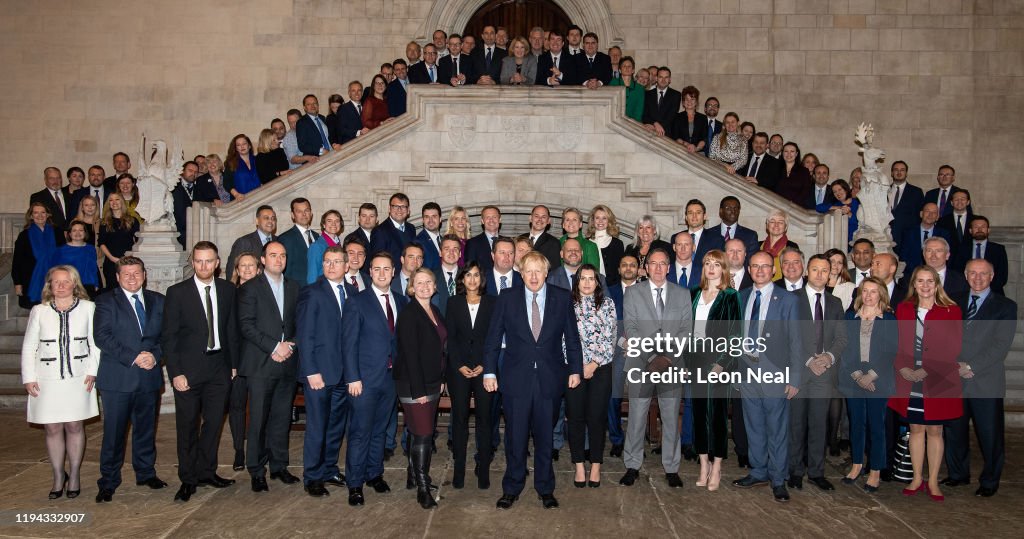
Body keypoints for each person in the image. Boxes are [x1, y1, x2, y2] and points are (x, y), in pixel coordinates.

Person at [483, 251, 583, 510]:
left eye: (539, 270)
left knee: (545, 438)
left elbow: (572, 338)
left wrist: (575, 370)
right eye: (529, 271)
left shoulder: (561, 298)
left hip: (550, 379)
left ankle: (545, 488)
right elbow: (493, 338)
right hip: (516, 380)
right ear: (521, 273)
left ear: (546, 273)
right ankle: (512, 487)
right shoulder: (507, 298)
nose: (534, 276)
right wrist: (490, 372)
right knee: (515, 438)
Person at [161, 243, 238, 501]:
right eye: (199, 261)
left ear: (217, 263)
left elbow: (230, 330)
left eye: (209, 261)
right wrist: (176, 373)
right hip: (189, 371)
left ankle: (207, 471)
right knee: (187, 426)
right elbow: (169, 338)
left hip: (219, 369)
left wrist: (233, 365)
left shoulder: (228, 290)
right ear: (192, 263)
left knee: (214, 424)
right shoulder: (177, 293)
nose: (204, 266)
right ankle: (188, 478)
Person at [21, 266, 99, 500]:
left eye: (66, 281)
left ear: (74, 284)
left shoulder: (88, 308)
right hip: (46, 379)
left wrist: (93, 371)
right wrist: (28, 377)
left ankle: (74, 474)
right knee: (52, 428)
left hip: (79, 377)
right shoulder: (39, 310)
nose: (62, 285)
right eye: (57, 282)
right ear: (50, 285)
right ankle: (57, 475)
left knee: (75, 426)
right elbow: (29, 346)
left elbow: (96, 344)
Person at [942, 259, 1018, 497]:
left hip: (985, 379)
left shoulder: (1006, 306)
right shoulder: (952, 300)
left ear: (992, 276)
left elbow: (1001, 345)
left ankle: (989, 480)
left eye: (983, 274)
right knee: (955, 429)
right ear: (965, 275)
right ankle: (958, 474)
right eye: (973, 273)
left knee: (990, 433)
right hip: (955, 378)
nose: (977, 278)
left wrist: (971, 366)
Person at [731, 251, 803, 503]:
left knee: (777, 428)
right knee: (754, 426)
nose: (760, 271)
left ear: (774, 270)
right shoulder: (740, 297)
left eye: (765, 266)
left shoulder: (787, 300)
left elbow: (796, 340)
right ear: (749, 270)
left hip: (774, 371)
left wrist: (794, 377)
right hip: (747, 369)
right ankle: (758, 471)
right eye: (755, 266)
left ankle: (778, 478)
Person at [618, 247, 692, 489]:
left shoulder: (682, 294)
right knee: (637, 416)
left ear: (669, 268)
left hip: (672, 363)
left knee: (670, 417)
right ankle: (632, 464)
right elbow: (630, 327)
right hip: (641, 361)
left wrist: (667, 357)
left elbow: (686, 330)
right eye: (653, 263)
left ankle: (671, 467)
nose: (658, 268)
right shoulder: (633, 293)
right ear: (646, 267)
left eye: (663, 264)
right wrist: (651, 357)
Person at [888, 265, 963, 502]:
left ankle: (932, 481)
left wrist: (927, 369)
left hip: (938, 378)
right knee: (916, 429)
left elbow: (954, 347)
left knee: (935, 430)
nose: (925, 285)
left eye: (930, 281)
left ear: (937, 284)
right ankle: (917, 478)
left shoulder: (950, 310)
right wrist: (903, 368)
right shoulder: (904, 308)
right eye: (920, 281)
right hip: (909, 380)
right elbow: (897, 344)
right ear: (914, 284)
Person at [342, 251, 409, 506]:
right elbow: (348, 344)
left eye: (387, 269)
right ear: (370, 272)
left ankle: (374, 473)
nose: (382, 273)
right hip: (364, 380)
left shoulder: (401, 302)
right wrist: (352, 377)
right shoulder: (357, 302)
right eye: (377, 269)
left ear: (394, 272)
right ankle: (355, 483)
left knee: (380, 431)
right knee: (360, 432)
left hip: (391, 379)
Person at [238, 241, 301, 492]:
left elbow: (299, 324)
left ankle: (279, 466)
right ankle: (256, 469)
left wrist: (291, 345)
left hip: (287, 363)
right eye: (273, 255)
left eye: (282, 255)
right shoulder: (250, 288)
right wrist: (275, 346)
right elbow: (246, 325)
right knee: (259, 420)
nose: (278, 259)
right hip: (261, 363)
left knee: (281, 417)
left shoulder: (294, 287)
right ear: (263, 260)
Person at [788, 254, 848, 492]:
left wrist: (828, 357)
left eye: (825, 271)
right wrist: (807, 360)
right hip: (799, 372)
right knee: (796, 424)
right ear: (806, 272)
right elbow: (786, 335)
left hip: (824, 372)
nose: (820, 275)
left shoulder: (835, 303)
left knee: (819, 424)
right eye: (815, 270)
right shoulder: (792, 299)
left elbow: (842, 338)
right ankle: (794, 471)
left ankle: (816, 472)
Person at [296, 245, 352, 497]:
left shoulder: (352, 291)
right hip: (319, 374)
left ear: (346, 265)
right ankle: (313, 475)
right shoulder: (312, 292)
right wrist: (311, 371)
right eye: (327, 262)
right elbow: (305, 335)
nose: (331, 266)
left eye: (336, 262)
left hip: (343, 374)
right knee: (317, 426)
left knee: (335, 426)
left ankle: (329, 467)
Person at [394, 268, 447, 509]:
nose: (425, 286)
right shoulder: (408, 314)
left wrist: (442, 378)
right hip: (415, 384)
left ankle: (413, 476)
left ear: (435, 286)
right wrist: (419, 391)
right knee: (424, 433)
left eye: (429, 282)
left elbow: (438, 348)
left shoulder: (434, 310)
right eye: (420, 282)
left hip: (433, 381)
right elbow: (411, 355)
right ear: (411, 287)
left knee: (418, 431)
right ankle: (423, 489)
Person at [689, 250, 741, 491]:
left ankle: (717, 465)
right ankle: (703, 464)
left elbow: (735, 335)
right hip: (696, 362)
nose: (711, 268)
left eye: (716, 264)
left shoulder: (731, 296)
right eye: (708, 263)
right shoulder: (694, 294)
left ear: (723, 269)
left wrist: (721, 364)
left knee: (718, 416)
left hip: (720, 363)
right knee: (699, 414)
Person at [839, 277, 897, 493]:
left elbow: (890, 351)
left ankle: (875, 470)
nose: (869, 295)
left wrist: (871, 375)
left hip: (878, 380)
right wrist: (857, 375)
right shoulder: (850, 316)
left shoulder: (889, 319)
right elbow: (844, 347)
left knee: (876, 425)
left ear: (881, 294)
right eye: (865, 291)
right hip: (853, 378)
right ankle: (856, 465)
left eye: (874, 291)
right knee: (856, 423)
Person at [445, 261, 495, 490]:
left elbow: (495, 337)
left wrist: (486, 364)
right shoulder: (453, 303)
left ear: (481, 279)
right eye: (468, 275)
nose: (473, 279)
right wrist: (459, 365)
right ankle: (458, 473)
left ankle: (483, 472)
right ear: (462, 280)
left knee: (485, 421)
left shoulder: (492, 303)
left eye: (476, 275)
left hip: (484, 370)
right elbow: (451, 339)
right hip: (460, 371)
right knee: (459, 420)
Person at [566, 264, 616, 488]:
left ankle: (595, 465)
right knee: (575, 418)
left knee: (596, 418)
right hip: (573, 370)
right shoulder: (567, 305)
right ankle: (578, 465)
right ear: (576, 282)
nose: (586, 283)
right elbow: (562, 339)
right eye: (582, 278)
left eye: (591, 279)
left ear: (597, 282)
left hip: (600, 369)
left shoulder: (607, 304)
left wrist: (593, 364)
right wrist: (578, 366)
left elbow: (610, 337)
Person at [228, 252, 260, 470]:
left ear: (259, 270)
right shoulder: (228, 294)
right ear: (237, 270)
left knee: (259, 408)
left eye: (251, 266)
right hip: (236, 361)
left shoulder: (266, 294)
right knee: (237, 406)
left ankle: (258, 452)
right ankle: (239, 450)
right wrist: (231, 363)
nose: (247, 269)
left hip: (260, 360)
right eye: (243, 266)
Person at [13, 202, 63, 308]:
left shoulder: (57, 232)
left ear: (48, 214)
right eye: (36, 213)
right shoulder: (24, 235)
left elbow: (63, 256)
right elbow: (17, 261)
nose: (40, 215)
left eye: (43, 212)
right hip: (30, 281)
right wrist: (17, 283)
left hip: (54, 279)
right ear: (31, 216)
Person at [98, 193, 140, 292]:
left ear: (122, 202)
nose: (114, 202)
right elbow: (101, 243)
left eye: (117, 199)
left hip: (129, 261)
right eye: (111, 200)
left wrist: (131, 257)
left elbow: (138, 241)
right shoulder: (104, 222)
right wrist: (113, 259)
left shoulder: (132, 220)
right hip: (111, 262)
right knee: (113, 292)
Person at [49, 221, 100, 297]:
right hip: (69, 285)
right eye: (74, 230)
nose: (78, 233)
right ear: (69, 233)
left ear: (85, 233)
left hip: (88, 285)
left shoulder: (91, 248)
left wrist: (96, 283)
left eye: (81, 230)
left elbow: (93, 268)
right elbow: (54, 270)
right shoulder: (61, 250)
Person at [226, 205, 277, 281]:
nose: (270, 221)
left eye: (273, 218)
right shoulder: (243, 242)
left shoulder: (279, 241)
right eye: (266, 218)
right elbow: (231, 272)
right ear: (257, 221)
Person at [277, 198, 319, 283]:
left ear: (311, 213)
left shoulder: (317, 236)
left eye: (306, 210)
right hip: (298, 291)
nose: (304, 214)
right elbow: (285, 271)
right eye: (299, 211)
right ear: (293, 215)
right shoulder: (286, 239)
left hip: (318, 288)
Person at [623, 215, 672, 281]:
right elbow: (624, 269)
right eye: (641, 228)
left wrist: (647, 273)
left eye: (648, 227)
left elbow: (670, 271)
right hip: (633, 287)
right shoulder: (630, 248)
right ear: (637, 232)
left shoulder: (665, 247)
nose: (644, 231)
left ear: (654, 230)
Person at [587, 204, 625, 285]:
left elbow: (621, 270)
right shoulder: (586, 243)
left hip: (612, 289)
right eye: (597, 218)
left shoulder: (617, 244)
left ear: (609, 221)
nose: (600, 221)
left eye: (604, 218)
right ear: (593, 221)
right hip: (589, 286)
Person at [306, 210, 345, 284]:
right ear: (324, 224)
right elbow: (312, 277)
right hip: (322, 289)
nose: (333, 224)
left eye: (337, 221)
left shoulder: (338, 244)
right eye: (329, 221)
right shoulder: (316, 247)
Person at [760, 209, 798, 281]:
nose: (776, 225)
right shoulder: (758, 245)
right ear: (767, 226)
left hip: (782, 288)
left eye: (780, 222)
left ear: (785, 227)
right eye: (772, 221)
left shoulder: (792, 246)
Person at [642, 67, 680, 136]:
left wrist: (656, 126)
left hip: (667, 134)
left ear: (670, 79)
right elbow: (644, 115)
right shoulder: (647, 94)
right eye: (660, 77)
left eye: (666, 77)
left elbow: (671, 116)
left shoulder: (676, 95)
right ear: (656, 78)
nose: (663, 80)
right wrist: (655, 123)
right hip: (649, 133)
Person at [774, 142, 814, 208]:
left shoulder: (804, 171)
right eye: (786, 151)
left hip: (796, 209)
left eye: (792, 151)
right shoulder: (776, 169)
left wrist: (793, 204)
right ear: (782, 153)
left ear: (796, 154)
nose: (789, 154)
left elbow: (806, 191)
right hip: (777, 206)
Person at [671, 85, 708, 153]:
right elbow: (675, 137)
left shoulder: (703, 118)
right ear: (683, 102)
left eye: (692, 99)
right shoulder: (677, 117)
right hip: (681, 151)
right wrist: (687, 145)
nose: (689, 102)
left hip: (699, 153)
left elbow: (704, 139)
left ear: (696, 102)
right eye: (686, 99)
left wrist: (696, 148)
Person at [224, 134, 261, 199]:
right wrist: (236, 194)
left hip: (258, 198)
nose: (242, 146)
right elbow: (227, 182)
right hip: (240, 200)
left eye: (244, 143)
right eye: (238, 145)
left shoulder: (258, 160)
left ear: (249, 146)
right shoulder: (231, 163)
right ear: (236, 148)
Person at [609, 56, 644, 122]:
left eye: (629, 66)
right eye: (624, 66)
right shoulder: (613, 83)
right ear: (620, 70)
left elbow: (639, 110)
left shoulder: (639, 88)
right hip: (615, 121)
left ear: (633, 70)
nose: (627, 68)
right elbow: (611, 106)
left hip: (633, 123)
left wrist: (634, 123)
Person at [526, 205, 561, 269]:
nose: (539, 219)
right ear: (530, 218)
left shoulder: (554, 243)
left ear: (548, 221)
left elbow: (555, 270)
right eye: (536, 216)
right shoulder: (520, 238)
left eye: (543, 217)